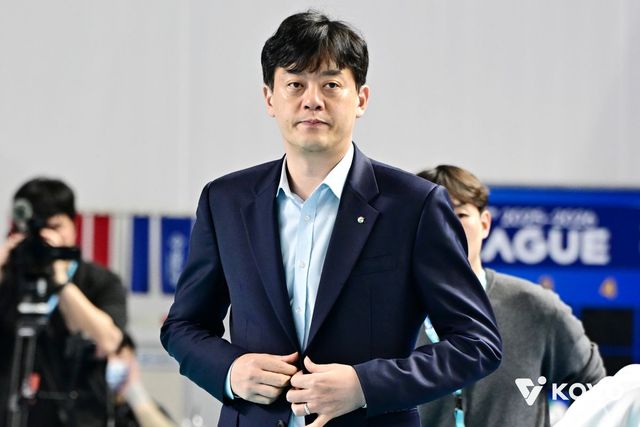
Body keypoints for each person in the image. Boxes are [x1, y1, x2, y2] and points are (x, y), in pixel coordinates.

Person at [161, 11, 502, 427]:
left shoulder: (415, 206)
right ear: (269, 98)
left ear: (361, 99)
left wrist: (365, 386)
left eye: (331, 84)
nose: (312, 100)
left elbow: (476, 342)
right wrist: (230, 371)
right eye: (295, 84)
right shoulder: (226, 201)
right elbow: (184, 326)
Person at [416, 165, 606, 427]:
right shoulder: (387, 312)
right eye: (434, 216)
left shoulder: (536, 308)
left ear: (484, 224)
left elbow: (597, 393)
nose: (448, 227)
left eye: (460, 214)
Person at [0, 177, 127, 427]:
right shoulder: (9, 278)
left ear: (74, 225)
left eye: (55, 227)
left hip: (80, 415)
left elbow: (109, 340)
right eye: (35, 229)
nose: (44, 237)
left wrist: (60, 281)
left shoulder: (98, 281)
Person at [107, 334, 176, 427]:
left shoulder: (145, 409)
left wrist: (135, 393)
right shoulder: (94, 409)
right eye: (106, 356)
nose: (111, 361)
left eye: (119, 355)